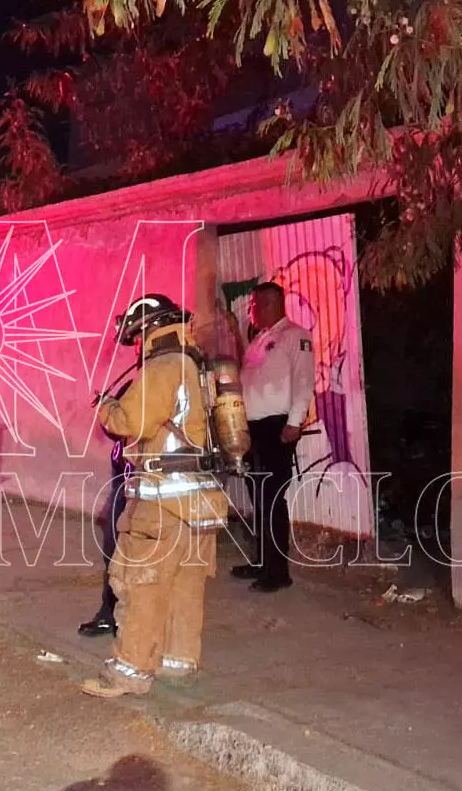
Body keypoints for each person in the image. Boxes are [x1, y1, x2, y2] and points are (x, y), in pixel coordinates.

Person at [80, 294, 229, 697]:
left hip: (162, 502)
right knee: (185, 584)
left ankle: (128, 672)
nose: (135, 345)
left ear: (146, 329)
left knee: (141, 584)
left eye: (135, 336)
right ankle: (178, 662)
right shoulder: (197, 365)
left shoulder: (164, 366)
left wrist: (107, 408)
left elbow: (132, 421)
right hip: (201, 503)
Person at [233, 281, 315, 593]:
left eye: (253, 305)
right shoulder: (263, 339)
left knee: (271, 500)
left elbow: (304, 380)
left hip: (276, 427)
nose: (250, 310)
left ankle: (278, 571)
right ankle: (261, 561)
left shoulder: (295, 336)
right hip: (254, 428)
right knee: (258, 498)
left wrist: (294, 423)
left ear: (269, 304)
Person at [77, 413, 133, 637]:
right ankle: (110, 614)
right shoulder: (137, 386)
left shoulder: (162, 384)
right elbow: (115, 427)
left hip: (146, 484)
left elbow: (134, 420)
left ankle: (127, 620)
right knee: (113, 552)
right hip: (125, 480)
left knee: (135, 556)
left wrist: (111, 408)